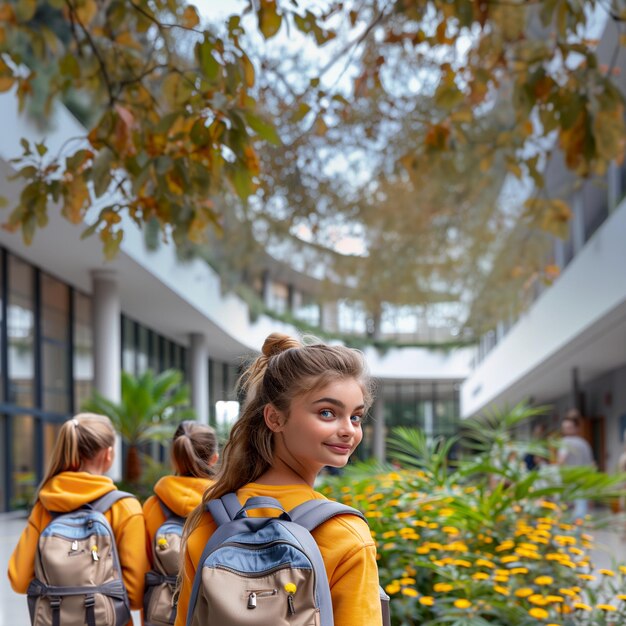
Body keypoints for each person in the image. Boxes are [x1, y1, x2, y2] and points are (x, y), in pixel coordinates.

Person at [175, 332, 383, 626]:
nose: (348, 429)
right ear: (275, 419)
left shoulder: (211, 520)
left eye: (356, 417)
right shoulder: (344, 534)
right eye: (327, 413)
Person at [7, 412, 149, 625]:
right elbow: (136, 597)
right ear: (108, 454)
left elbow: (18, 581)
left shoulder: (46, 504)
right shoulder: (125, 507)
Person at [143, 420, 219, 563]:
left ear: (175, 459)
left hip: (166, 585)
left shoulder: (152, 506)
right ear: (214, 459)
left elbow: (143, 563)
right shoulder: (227, 505)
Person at [556, 409, 595, 519]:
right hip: (583, 481)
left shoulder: (565, 442)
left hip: (569, 481)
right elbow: (592, 465)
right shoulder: (584, 443)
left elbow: (561, 461)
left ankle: (569, 534)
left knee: (566, 511)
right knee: (581, 510)